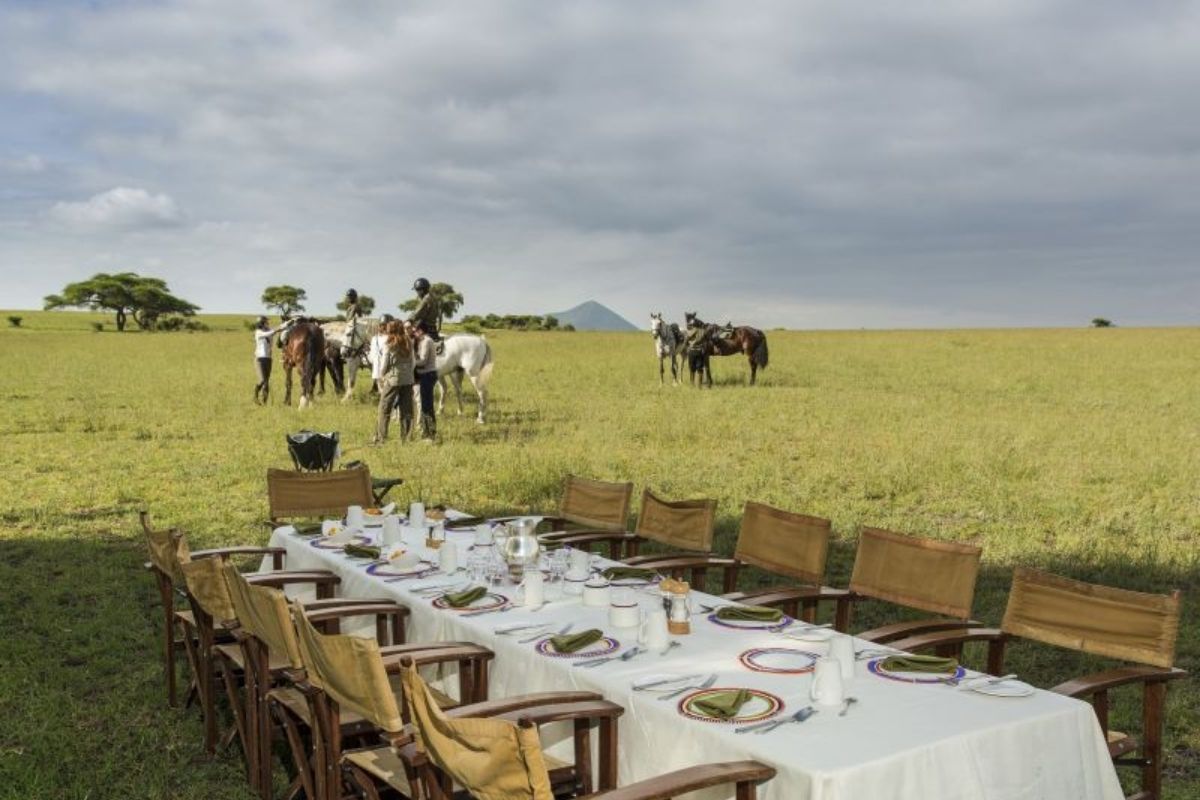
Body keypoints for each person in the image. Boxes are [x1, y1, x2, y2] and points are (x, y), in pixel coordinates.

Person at [372, 321, 415, 443]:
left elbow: (385, 363)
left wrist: (381, 376)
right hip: (408, 379)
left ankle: (381, 438)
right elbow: (412, 362)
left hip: (393, 379)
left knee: (384, 409)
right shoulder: (409, 342)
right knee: (407, 410)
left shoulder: (389, 343)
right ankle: (406, 438)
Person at [412, 320, 439, 441]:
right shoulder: (424, 340)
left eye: (415, 331)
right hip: (426, 375)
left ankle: (431, 433)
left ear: (420, 331)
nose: (414, 334)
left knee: (427, 405)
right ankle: (426, 431)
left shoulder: (427, 341)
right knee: (424, 405)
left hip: (427, 375)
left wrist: (410, 363)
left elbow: (423, 361)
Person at [252, 316, 287, 404]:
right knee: (262, 380)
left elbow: (274, 331)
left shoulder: (268, 331)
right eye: (266, 322)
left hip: (268, 359)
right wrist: (278, 328)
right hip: (259, 359)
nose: (268, 324)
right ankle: (255, 395)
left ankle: (264, 402)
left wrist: (284, 326)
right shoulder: (258, 332)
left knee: (266, 382)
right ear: (262, 323)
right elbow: (271, 332)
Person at [684, 316, 710, 387]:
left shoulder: (693, 330)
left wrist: (687, 346)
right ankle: (699, 386)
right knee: (700, 369)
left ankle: (692, 384)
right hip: (700, 352)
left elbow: (687, 338)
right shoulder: (703, 331)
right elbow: (707, 339)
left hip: (692, 351)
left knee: (692, 368)